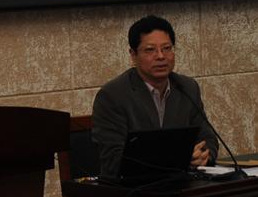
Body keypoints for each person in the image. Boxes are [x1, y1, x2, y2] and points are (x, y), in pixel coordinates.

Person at [91, 15, 217, 178]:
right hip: (133, 188)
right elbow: (113, 160)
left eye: (167, 48)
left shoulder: (187, 87)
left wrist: (203, 155)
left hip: (181, 183)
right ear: (133, 55)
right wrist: (176, 159)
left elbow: (208, 138)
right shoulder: (112, 96)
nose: (160, 56)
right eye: (150, 50)